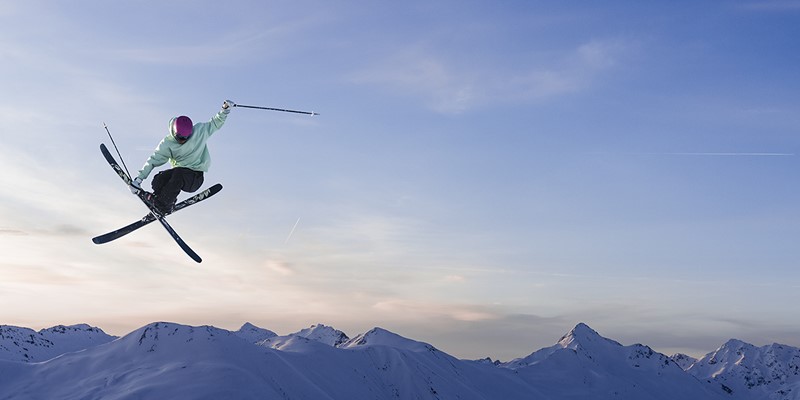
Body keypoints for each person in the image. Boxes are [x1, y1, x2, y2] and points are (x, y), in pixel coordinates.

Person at [130, 100, 235, 214]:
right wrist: (139, 179)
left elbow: (215, 123)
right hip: (177, 175)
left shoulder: (199, 131)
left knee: (178, 173)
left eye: (186, 137)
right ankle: (160, 201)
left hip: (195, 177)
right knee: (158, 179)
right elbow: (153, 160)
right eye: (180, 138)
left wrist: (225, 109)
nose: (183, 141)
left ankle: (164, 205)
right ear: (173, 132)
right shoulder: (167, 144)